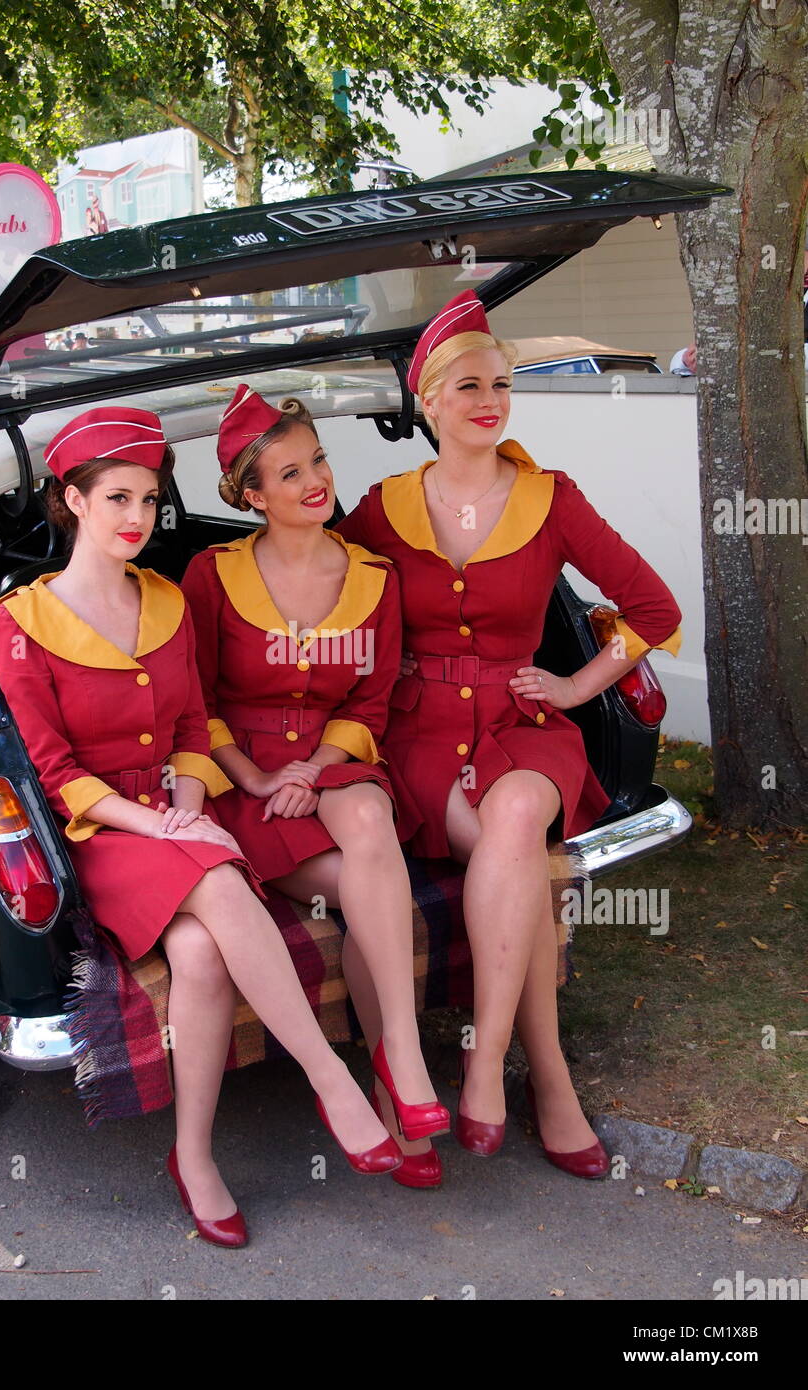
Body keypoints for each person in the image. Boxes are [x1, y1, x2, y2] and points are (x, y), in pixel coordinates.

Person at [0, 406, 402, 1249]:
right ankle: (333, 1080)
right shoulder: (20, 624)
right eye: (115, 499)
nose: (136, 517)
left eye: (147, 498)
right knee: (216, 874)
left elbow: (189, 727)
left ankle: (194, 1158)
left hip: (178, 806)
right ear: (72, 501)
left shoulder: (169, 600)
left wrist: (185, 800)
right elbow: (58, 773)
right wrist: (164, 823)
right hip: (103, 832)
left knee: (203, 953)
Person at [336, 290, 682, 1179]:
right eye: (467, 387)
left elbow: (652, 608)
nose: (488, 400)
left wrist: (575, 684)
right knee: (518, 854)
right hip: (417, 736)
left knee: (521, 812)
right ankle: (551, 1078)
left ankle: (485, 1061)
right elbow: (325, 601)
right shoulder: (379, 509)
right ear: (430, 403)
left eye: (500, 384)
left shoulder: (550, 498)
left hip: (525, 727)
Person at [180, 385, 450, 1188]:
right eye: (289, 473)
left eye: (319, 462)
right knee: (371, 895)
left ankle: (397, 1055)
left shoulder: (374, 573)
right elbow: (195, 706)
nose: (314, 482)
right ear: (252, 496)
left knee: (367, 815)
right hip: (248, 783)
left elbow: (369, 704)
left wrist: (318, 767)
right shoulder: (211, 572)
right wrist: (263, 776)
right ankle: (390, 1083)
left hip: (333, 765)